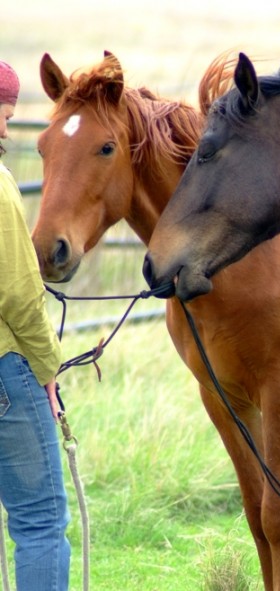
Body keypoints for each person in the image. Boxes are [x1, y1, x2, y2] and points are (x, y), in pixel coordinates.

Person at [0, 59, 70, 591]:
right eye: (1, 116)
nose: (5, 130)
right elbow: (21, 295)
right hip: (6, 371)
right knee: (41, 520)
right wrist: (49, 369)